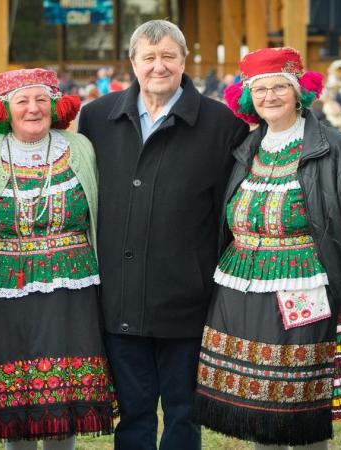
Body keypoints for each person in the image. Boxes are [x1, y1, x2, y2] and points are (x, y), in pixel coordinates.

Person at [78, 20, 249, 450]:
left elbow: (237, 204)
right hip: (118, 297)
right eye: (149, 57)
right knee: (133, 414)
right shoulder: (97, 117)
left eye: (168, 56)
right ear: (133, 63)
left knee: (183, 415)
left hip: (187, 299)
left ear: (184, 61)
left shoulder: (220, 122)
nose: (159, 66)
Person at [192, 47, 341, 450]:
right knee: (259, 401)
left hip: (303, 287)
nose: (270, 97)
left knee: (300, 402)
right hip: (242, 287)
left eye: (280, 88)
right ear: (247, 97)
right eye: (261, 90)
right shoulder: (244, 149)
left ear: (299, 92)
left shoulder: (335, 148)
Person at [0, 68, 116, 449]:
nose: (33, 109)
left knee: (64, 402)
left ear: (55, 105)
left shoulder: (81, 149)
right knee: (17, 405)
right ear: (3, 110)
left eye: (41, 99)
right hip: (4, 296)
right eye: (22, 101)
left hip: (72, 295)